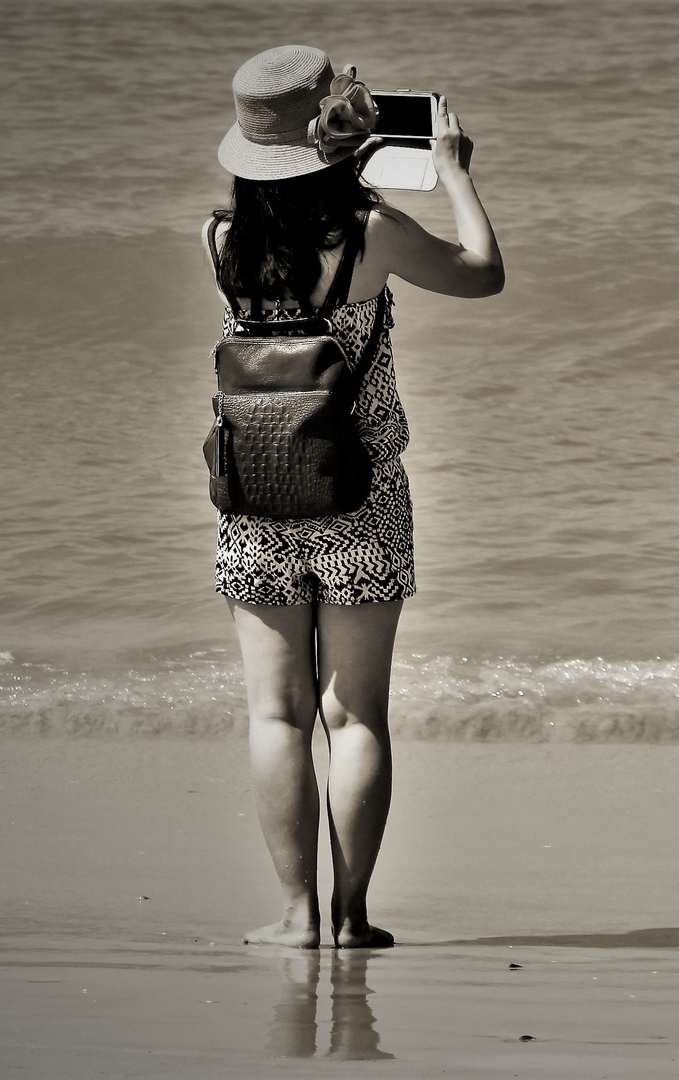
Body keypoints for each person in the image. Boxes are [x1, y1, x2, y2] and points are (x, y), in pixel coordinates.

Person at [204, 44, 503, 948]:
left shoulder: (218, 240)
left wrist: (339, 157)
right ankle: (351, 916)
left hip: (253, 497)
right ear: (338, 137)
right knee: (353, 714)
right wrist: (449, 174)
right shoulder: (371, 236)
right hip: (361, 499)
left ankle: (294, 917)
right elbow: (482, 270)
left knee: (275, 714)